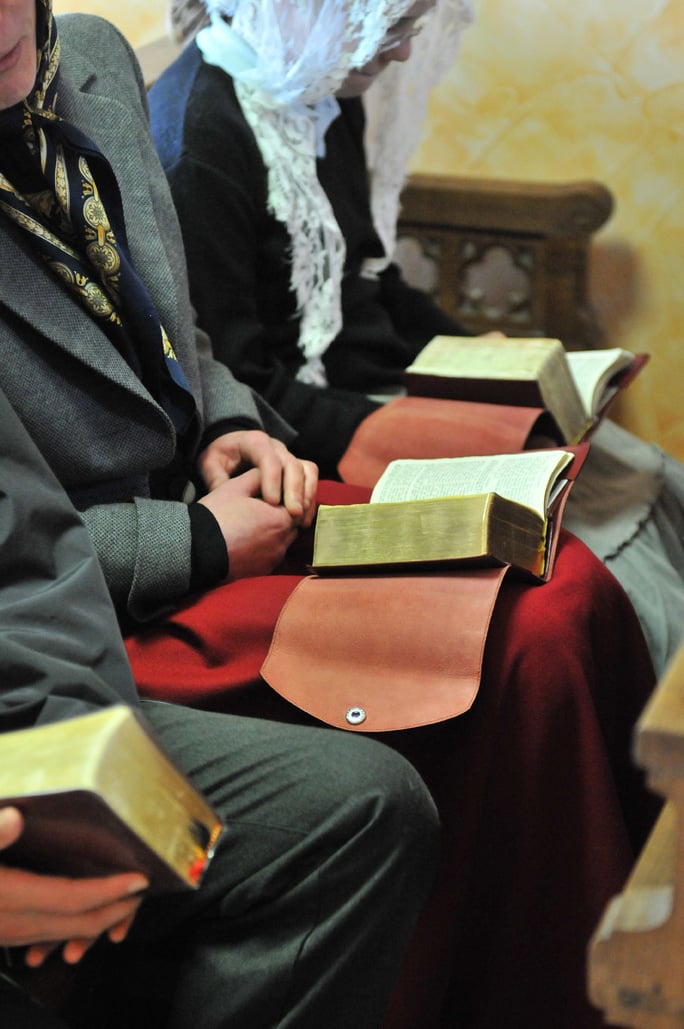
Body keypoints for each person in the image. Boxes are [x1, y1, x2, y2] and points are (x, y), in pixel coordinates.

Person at [0, 3, 660, 1027]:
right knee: (522, 640)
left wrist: (225, 418)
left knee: (565, 579)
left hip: (207, 505)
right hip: (120, 580)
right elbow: (30, 542)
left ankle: (569, 949)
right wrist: (205, 537)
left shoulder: (88, 60)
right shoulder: (205, 124)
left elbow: (183, 323)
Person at [152, 0, 684, 680]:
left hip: (382, 398)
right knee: (607, 555)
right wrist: (427, 429)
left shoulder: (317, 83)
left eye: (408, 29)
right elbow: (241, 382)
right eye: (388, 29)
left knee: (645, 474)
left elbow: (372, 279)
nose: (402, 53)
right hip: (311, 446)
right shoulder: (198, 145)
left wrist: (495, 360)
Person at [0, 383, 439, 1028]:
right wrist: (190, 540)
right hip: (140, 577)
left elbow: (26, 552)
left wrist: (76, 744)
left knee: (375, 787)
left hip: (41, 661)